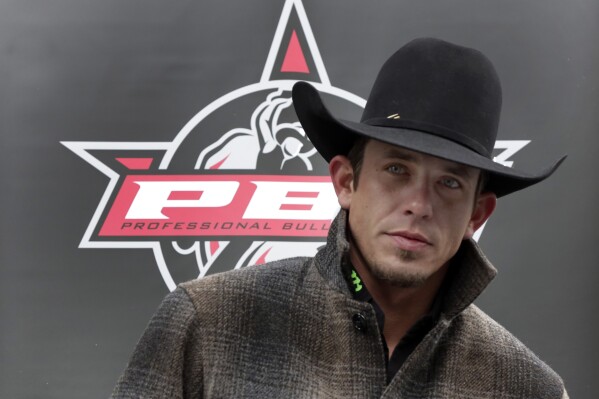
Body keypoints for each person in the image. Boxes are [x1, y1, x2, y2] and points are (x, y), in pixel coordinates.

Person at [112, 38, 568, 398]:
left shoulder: (526, 387)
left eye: (449, 183)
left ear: (478, 213)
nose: (419, 204)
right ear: (346, 182)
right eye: (396, 170)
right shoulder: (208, 323)